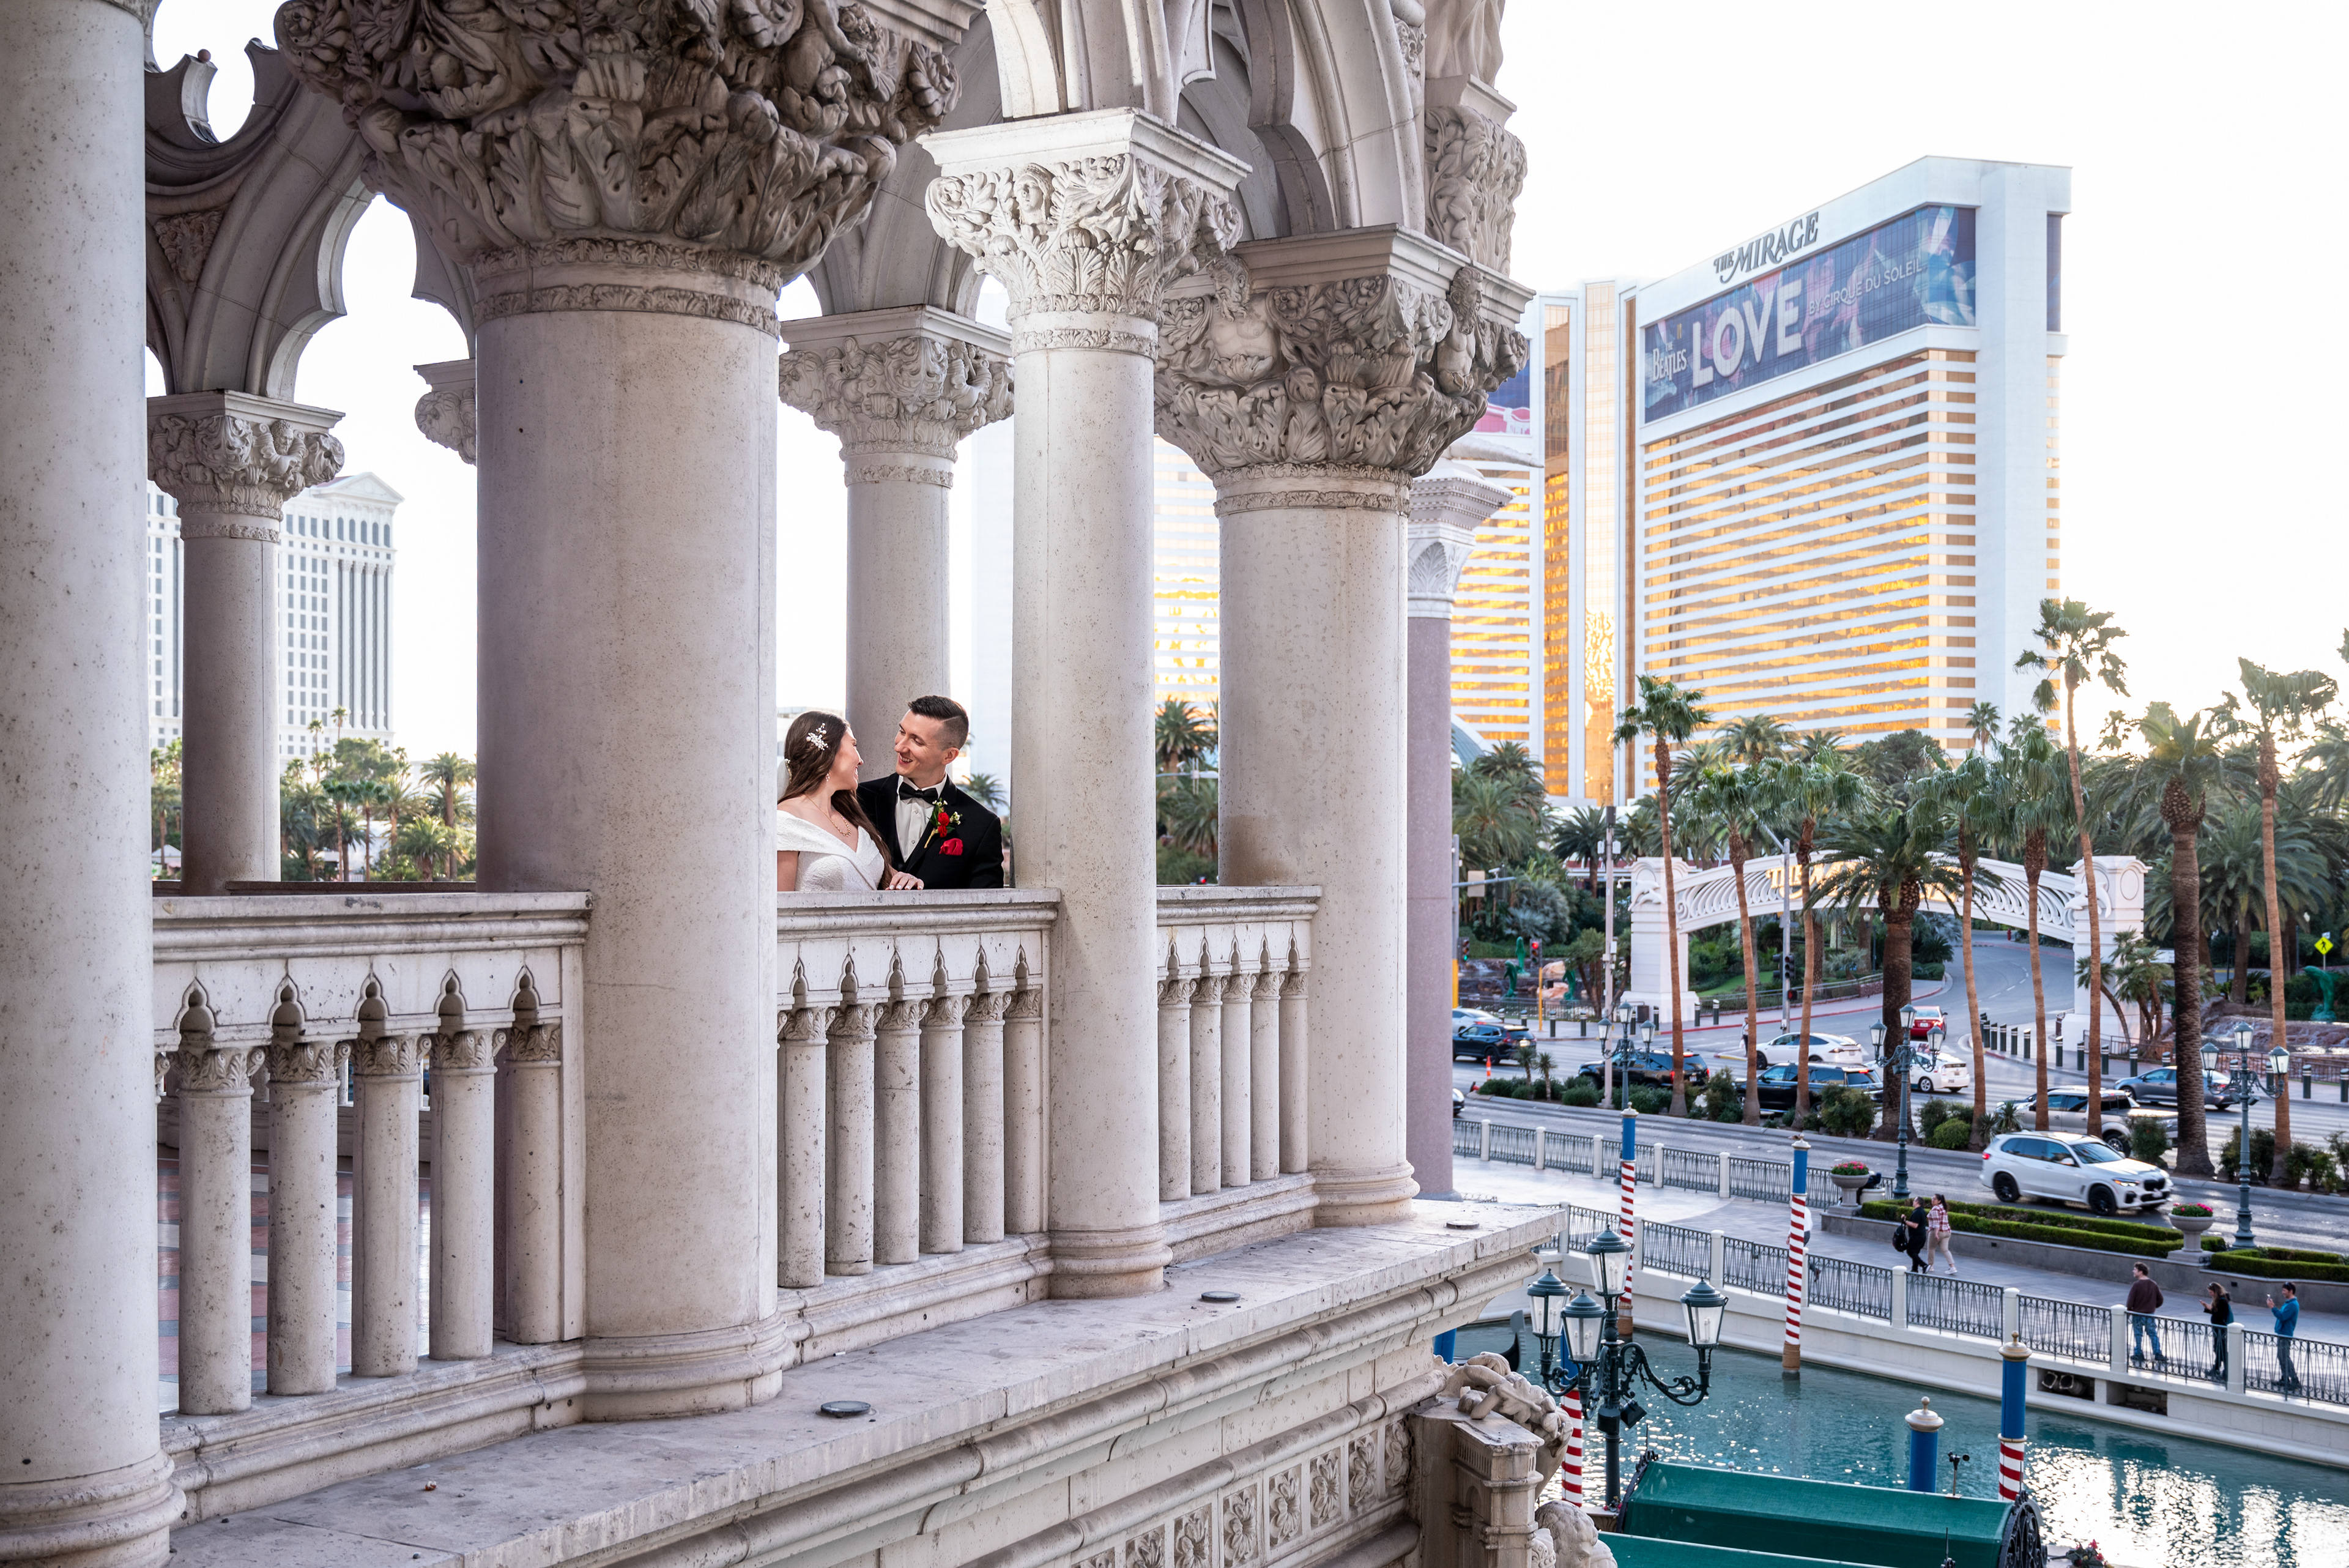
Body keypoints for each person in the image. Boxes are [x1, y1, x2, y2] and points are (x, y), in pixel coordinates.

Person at [855, 695, 1004, 890]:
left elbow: (986, 904)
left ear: (949, 755)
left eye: (917, 741)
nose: (899, 747)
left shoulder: (981, 825)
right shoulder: (858, 799)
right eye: (902, 732)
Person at [776, 711, 922, 893]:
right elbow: (780, 905)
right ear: (830, 751)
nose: (861, 761)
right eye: (854, 745)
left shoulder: (852, 817)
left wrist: (904, 879)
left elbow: (875, 876)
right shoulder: (786, 821)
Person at [2124, 1263, 2164, 1365]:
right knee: (2153, 1334)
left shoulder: (2136, 1285)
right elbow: (2160, 1300)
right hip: (2150, 1314)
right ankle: (2158, 1353)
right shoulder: (2153, 1284)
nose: (2133, 1271)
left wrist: (2129, 1311)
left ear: (2140, 1272)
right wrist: (2152, 1307)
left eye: (2135, 1270)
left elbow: (2130, 1302)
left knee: (2138, 1335)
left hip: (2138, 1314)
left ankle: (2138, 1353)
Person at [2269, 1282, 2301, 1393]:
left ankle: (2295, 1381)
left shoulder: (2292, 1305)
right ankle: (2285, 1378)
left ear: (2291, 1291)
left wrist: (2273, 1308)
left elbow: (2282, 1317)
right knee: (2281, 1356)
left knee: (2285, 1357)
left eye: (2284, 1291)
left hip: (2285, 1334)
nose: (2283, 1292)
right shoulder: (2289, 1303)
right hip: (2282, 1333)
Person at [2202, 1282, 2232, 1382]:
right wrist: (2207, 1308)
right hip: (2217, 1329)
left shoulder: (2222, 1301)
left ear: (2216, 1291)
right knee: (2218, 1349)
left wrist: (2211, 1309)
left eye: (2211, 1292)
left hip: (2221, 1329)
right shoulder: (2219, 1300)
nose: (2210, 1294)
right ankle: (2217, 1369)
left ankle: (2227, 1371)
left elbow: (2220, 1315)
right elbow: (2216, 1313)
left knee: (2221, 1350)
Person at [1924, 1194, 1956, 1276]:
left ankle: (1930, 1266)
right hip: (1947, 1232)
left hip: (1939, 1231)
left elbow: (1936, 1223)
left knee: (1931, 1248)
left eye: (1935, 1199)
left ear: (1939, 1201)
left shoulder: (1935, 1209)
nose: (1932, 1200)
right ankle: (1952, 1267)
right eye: (1932, 1198)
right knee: (1945, 1250)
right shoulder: (1943, 1208)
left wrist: (1935, 1233)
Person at [1899, 1198, 1929, 1273]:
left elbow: (1915, 1225)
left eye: (1914, 1201)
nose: (1913, 1202)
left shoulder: (1917, 1212)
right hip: (1921, 1236)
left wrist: (1905, 1221)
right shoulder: (1922, 1211)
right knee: (1915, 1253)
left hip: (1917, 1236)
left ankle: (1924, 1265)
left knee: (1910, 1251)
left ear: (1917, 1202)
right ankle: (1914, 1269)